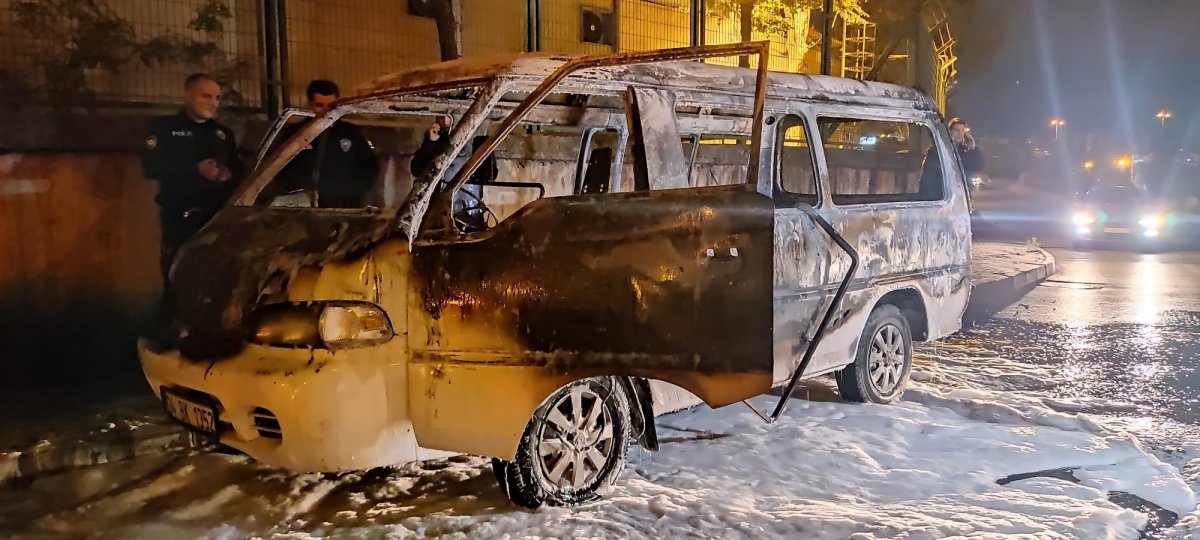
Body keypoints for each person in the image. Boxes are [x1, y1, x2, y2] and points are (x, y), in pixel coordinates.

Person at [142, 73, 244, 284]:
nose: (214, 103)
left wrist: (226, 174)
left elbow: (239, 171)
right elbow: (150, 166)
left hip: (216, 217)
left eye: (217, 98)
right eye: (206, 96)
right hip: (179, 215)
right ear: (188, 95)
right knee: (178, 275)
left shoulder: (222, 133)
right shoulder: (165, 128)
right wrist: (194, 169)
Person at [271, 79, 380, 208]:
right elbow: (277, 167)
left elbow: (369, 167)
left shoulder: (351, 133)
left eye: (331, 106)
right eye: (320, 105)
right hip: (303, 209)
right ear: (310, 104)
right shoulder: (295, 134)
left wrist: (352, 192)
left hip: (344, 207)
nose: (326, 111)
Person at [410, 114, 497, 230]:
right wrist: (430, 142)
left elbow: (491, 174)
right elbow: (416, 169)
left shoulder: (478, 141)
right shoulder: (438, 142)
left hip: (469, 214)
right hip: (443, 215)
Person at [921, 117, 984, 193]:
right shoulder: (937, 151)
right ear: (949, 132)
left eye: (962, 131)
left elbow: (978, 166)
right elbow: (932, 176)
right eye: (957, 130)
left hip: (961, 195)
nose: (960, 134)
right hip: (941, 195)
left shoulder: (964, 151)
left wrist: (973, 149)